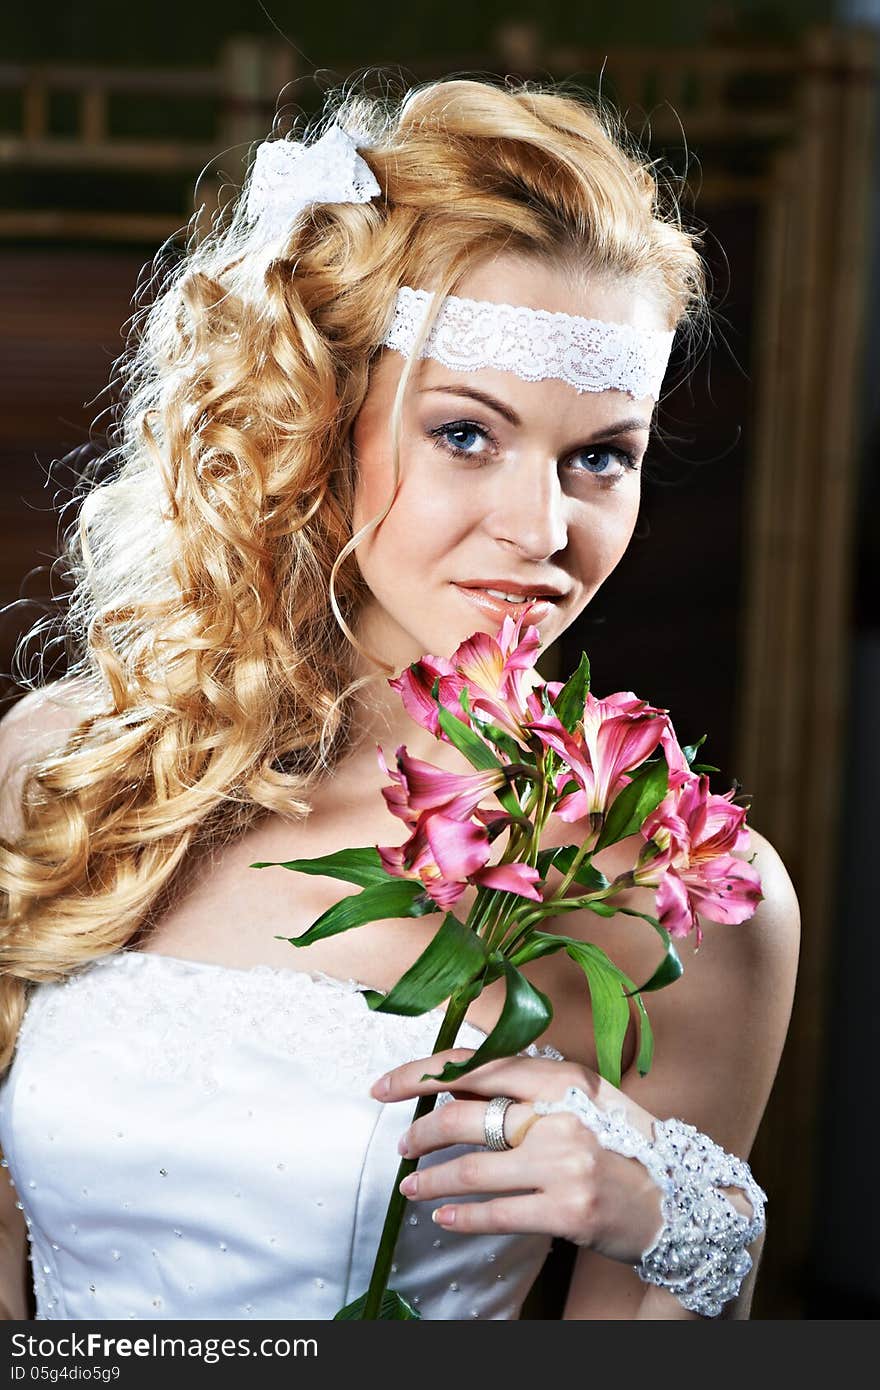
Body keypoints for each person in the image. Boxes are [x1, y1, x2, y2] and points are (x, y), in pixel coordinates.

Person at [0, 76, 799, 1322]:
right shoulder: (68, 768)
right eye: (467, 435)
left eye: (602, 455)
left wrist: (669, 1220)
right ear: (323, 420)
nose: (542, 532)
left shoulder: (680, 887)